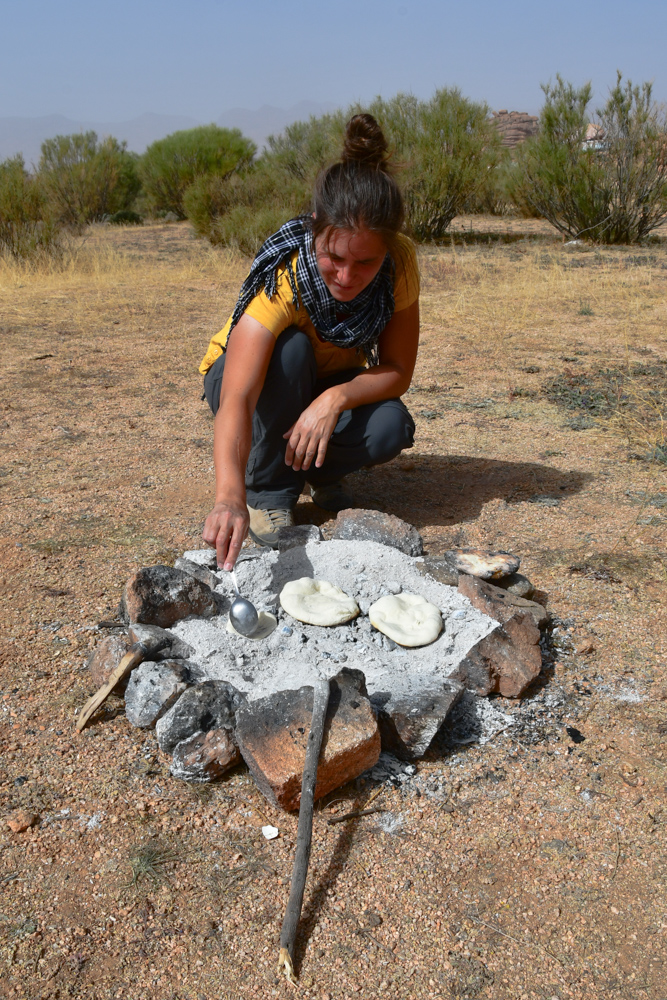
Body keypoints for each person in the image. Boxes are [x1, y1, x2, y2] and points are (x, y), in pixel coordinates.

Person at [200, 113, 420, 571]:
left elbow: (398, 369)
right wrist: (228, 497)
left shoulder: (399, 265)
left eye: (365, 262)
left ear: (388, 247)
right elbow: (238, 397)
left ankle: (318, 472)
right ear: (315, 226)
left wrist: (335, 399)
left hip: (322, 383)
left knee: (390, 425)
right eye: (334, 256)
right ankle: (268, 490)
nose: (347, 276)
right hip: (255, 382)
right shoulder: (284, 278)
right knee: (293, 351)